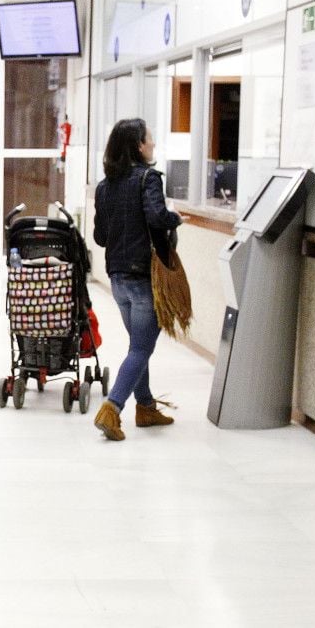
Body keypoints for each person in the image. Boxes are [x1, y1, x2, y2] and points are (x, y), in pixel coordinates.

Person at [91, 118, 182, 441]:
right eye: (149, 139)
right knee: (141, 348)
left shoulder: (104, 187)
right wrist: (176, 217)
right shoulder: (148, 179)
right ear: (138, 146)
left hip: (117, 278)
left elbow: (100, 236)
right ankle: (112, 409)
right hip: (144, 277)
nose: (153, 144)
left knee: (137, 346)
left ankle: (145, 407)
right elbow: (158, 217)